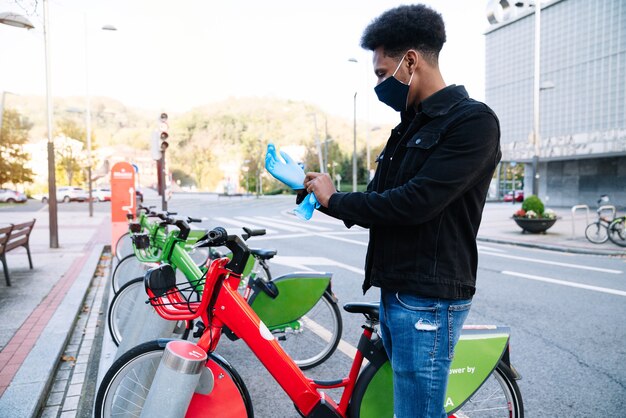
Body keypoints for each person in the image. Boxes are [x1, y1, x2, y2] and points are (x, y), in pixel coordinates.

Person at [301, 4, 501, 417]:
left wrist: (335, 199)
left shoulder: (472, 122)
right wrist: (318, 195)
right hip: (398, 291)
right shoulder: (408, 126)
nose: (379, 84)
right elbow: (378, 201)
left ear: (410, 61)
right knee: (405, 407)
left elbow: (416, 202)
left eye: (381, 72)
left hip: (429, 298)